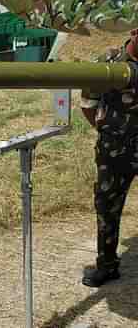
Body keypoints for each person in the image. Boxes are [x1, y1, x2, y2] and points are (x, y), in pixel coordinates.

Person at [80, 29, 138, 287]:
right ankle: (107, 265)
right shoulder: (109, 62)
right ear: (134, 32)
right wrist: (109, 131)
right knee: (106, 208)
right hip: (114, 154)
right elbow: (88, 104)